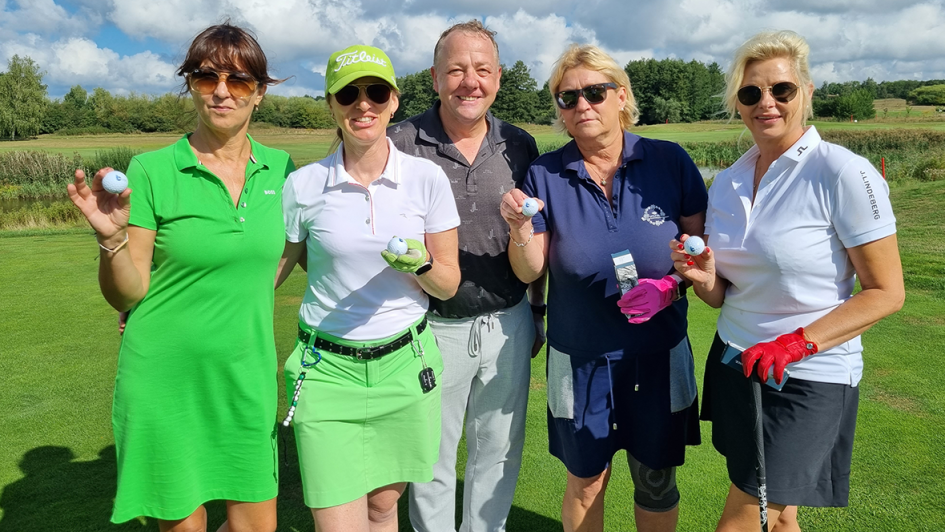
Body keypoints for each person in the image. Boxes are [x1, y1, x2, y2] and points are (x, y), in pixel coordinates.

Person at [671, 30, 904, 531]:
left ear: (807, 92)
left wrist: (797, 343)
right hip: (735, 360)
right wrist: (704, 277)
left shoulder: (843, 172)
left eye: (782, 89)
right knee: (778, 519)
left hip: (809, 373)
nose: (766, 103)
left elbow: (887, 293)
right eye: (751, 93)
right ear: (738, 102)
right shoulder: (728, 181)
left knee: (741, 518)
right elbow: (723, 294)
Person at [66, 23, 293, 531]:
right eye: (206, 77)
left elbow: (288, 258)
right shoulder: (151, 170)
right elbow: (129, 291)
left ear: (259, 93)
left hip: (246, 374)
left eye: (238, 80)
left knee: (258, 524)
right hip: (165, 376)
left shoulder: (282, 170)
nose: (221, 91)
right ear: (190, 85)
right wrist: (111, 239)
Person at [501, 44, 706, 532]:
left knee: (656, 478)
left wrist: (671, 288)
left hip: (659, 352)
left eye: (595, 92)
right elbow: (530, 271)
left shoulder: (669, 161)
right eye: (568, 97)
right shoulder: (545, 174)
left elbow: (700, 256)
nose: (582, 105)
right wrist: (519, 229)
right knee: (586, 480)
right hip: (579, 358)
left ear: (622, 96)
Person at [276, 44, 461, 532]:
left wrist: (422, 264)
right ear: (331, 105)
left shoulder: (426, 178)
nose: (363, 104)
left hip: (406, 366)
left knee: (382, 509)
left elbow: (447, 285)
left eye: (376, 92)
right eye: (348, 94)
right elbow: (272, 273)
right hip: (325, 371)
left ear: (393, 101)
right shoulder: (303, 185)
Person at [386, 20, 545, 532]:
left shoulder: (519, 144)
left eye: (481, 70)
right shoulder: (399, 141)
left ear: (497, 78)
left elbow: (537, 238)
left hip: (508, 321)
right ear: (435, 78)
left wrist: (538, 311)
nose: (469, 82)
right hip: (428, 324)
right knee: (431, 455)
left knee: (497, 450)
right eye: (456, 70)